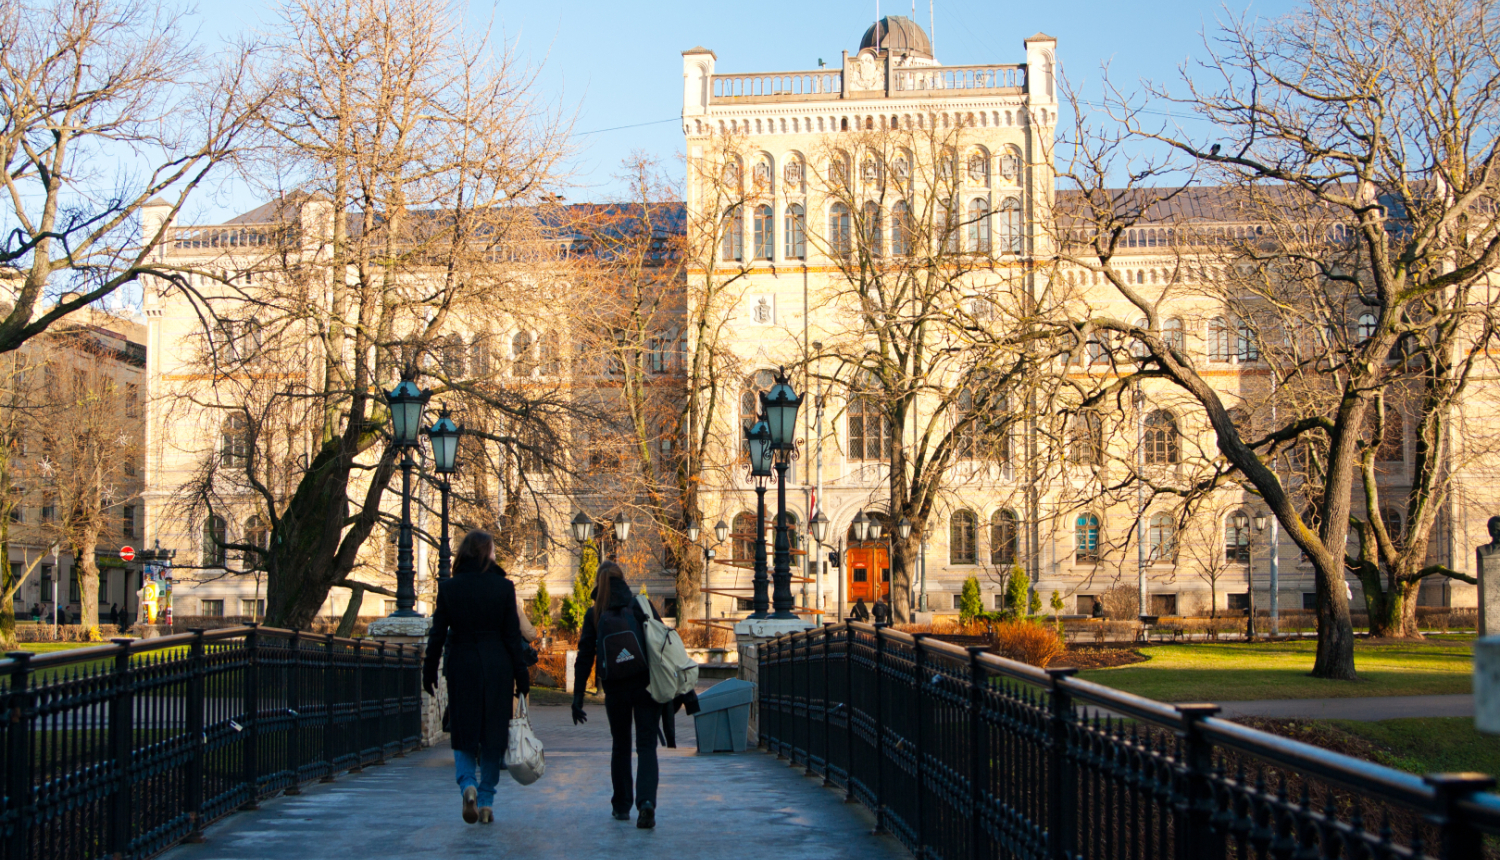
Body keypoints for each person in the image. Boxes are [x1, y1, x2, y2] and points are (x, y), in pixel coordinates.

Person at [423, 530, 531, 826]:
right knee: (493, 736)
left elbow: (437, 633)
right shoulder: (503, 587)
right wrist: (522, 677)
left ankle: (467, 784)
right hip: (497, 666)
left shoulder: (450, 588)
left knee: (464, 731)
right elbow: (512, 637)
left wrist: (429, 669)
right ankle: (485, 801)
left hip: (463, 664)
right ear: (487, 553)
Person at [571, 560, 664, 829]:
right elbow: (663, 641)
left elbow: (584, 657)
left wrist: (578, 697)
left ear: (599, 584)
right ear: (622, 580)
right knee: (646, 745)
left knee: (620, 745)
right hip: (646, 686)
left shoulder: (595, 613)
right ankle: (646, 803)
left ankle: (621, 806)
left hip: (615, 690)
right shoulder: (640, 605)